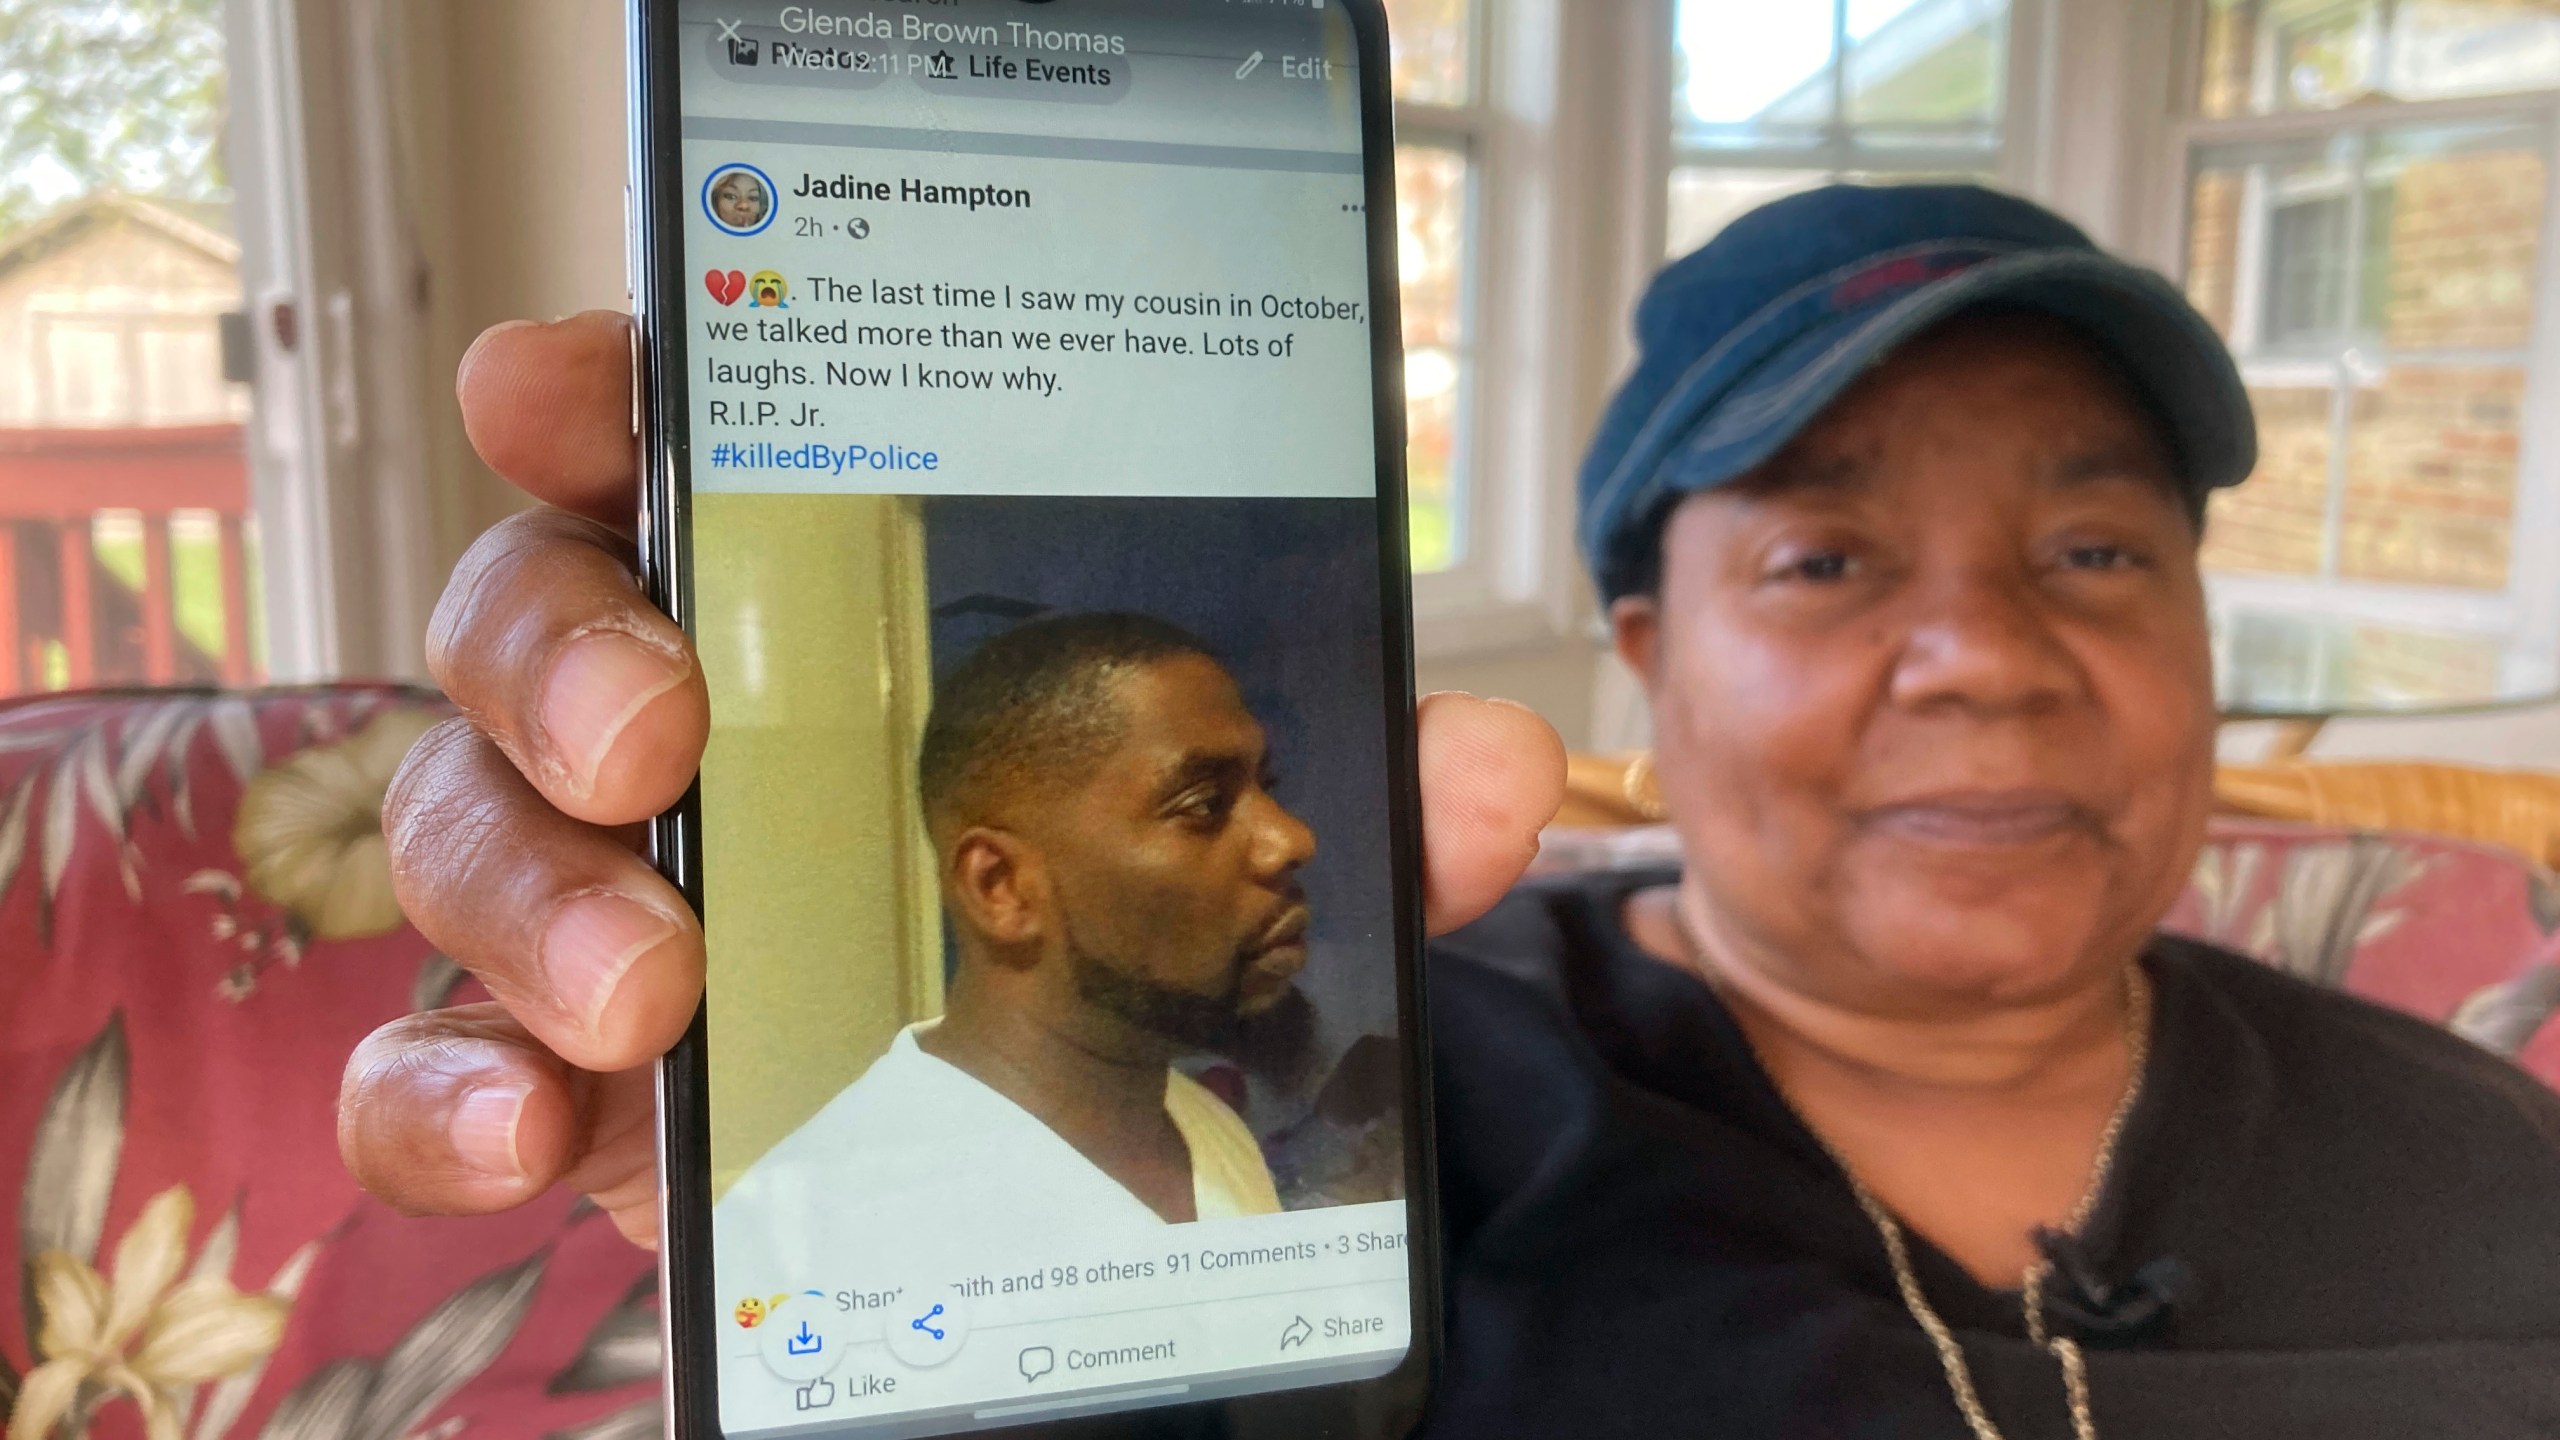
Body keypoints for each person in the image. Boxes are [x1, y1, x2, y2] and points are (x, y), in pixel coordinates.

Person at [346, 184, 2560, 1437]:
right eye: (1824, 557)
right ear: (1640, 654)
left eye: (2092, 553)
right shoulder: (1347, 1098)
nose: (1982, 650)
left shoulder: (2494, 1164)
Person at [719, 612, 1311, 1276]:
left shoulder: (1208, 1131)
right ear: (1001, 887)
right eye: (1203, 803)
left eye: (1270, 787)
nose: (1290, 839)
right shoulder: (803, 1243)